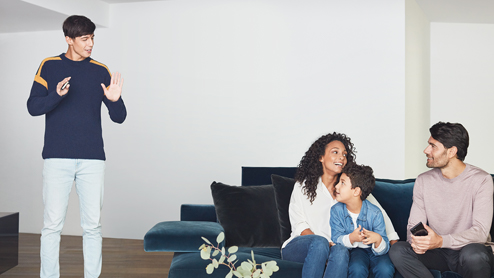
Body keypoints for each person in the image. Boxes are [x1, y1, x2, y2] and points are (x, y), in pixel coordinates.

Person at [27, 15, 127, 278]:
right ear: (69, 40)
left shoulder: (101, 70)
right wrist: (56, 96)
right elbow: (32, 107)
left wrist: (115, 101)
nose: (91, 43)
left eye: (93, 37)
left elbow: (119, 117)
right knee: (51, 227)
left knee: (92, 227)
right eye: (85, 39)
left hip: (92, 159)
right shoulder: (48, 66)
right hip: (56, 158)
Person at [281, 132, 399, 278]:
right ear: (321, 157)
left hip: (337, 246)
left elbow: (379, 214)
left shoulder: (350, 189)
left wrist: (395, 247)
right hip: (302, 246)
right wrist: (326, 245)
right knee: (320, 243)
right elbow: (299, 225)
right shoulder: (303, 186)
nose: (341, 157)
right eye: (335, 152)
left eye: (344, 154)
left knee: (341, 251)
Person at [389, 122, 494, 278]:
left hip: (468, 252)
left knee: (474, 254)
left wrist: (440, 241)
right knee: (398, 250)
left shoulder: (481, 180)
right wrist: (418, 243)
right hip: (437, 253)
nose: (426, 150)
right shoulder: (423, 181)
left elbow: (480, 233)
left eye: (433, 146)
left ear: (451, 151)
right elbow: (414, 225)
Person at [331, 164, 394, 277]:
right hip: (356, 251)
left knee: (385, 269)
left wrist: (378, 240)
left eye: (342, 183)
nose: (336, 186)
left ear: (356, 192)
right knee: (357, 268)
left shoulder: (375, 213)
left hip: (376, 251)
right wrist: (351, 238)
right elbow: (336, 238)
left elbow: (384, 245)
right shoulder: (336, 211)